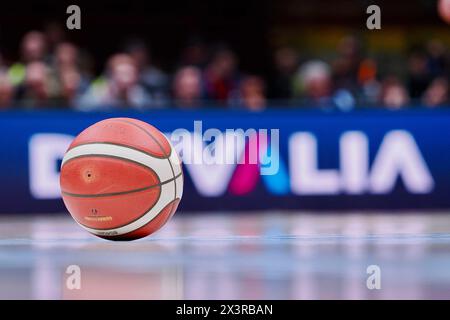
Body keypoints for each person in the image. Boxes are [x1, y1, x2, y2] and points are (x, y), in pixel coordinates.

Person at [77, 53, 152, 110]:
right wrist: (106, 99)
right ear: (111, 75)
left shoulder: (139, 92)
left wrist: (128, 99)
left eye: (130, 73)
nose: (126, 78)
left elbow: (148, 111)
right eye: (122, 73)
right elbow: (82, 109)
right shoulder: (98, 89)